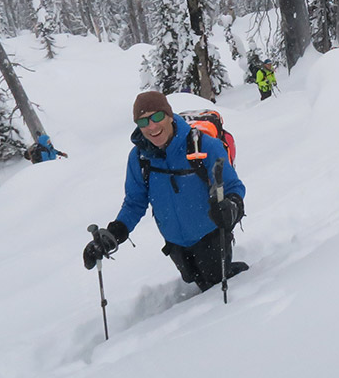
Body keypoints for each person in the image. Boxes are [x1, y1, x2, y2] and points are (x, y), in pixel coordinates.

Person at [83, 91, 248, 292]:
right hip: (175, 245)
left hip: (210, 236)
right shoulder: (139, 159)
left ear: (169, 115)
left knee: (216, 286)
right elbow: (135, 203)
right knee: (194, 282)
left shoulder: (204, 146)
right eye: (143, 122)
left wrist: (231, 207)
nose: (152, 126)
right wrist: (111, 235)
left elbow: (233, 187)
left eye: (157, 117)